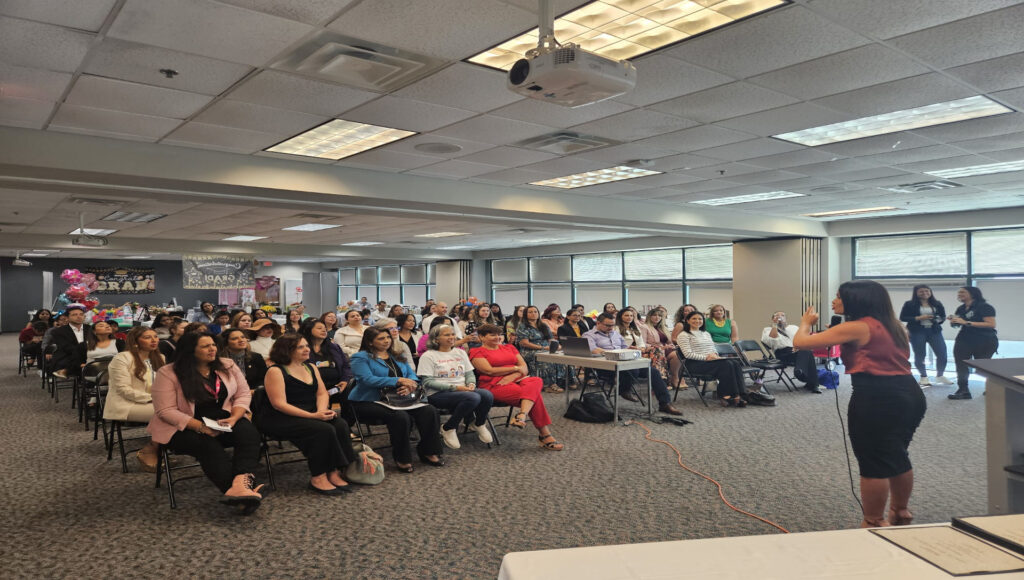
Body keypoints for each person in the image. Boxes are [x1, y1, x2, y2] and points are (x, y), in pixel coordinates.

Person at [794, 280, 926, 528]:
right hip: (909, 393)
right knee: (896, 454)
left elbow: (800, 343)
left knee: (873, 460)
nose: (834, 301)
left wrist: (805, 324)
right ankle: (900, 510)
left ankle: (874, 520)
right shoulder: (894, 325)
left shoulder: (857, 327)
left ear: (857, 300)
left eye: (839, 296)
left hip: (877, 396)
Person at [147, 333, 266, 513]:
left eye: (213, 345)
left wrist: (235, 417)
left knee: (248, 433)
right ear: (190, 350)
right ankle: (238, 493)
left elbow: (242, 394)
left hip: (223, 418)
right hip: (183, 426)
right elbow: (165, 411)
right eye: (205, 346)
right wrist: (201, 427)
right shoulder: (168, 373)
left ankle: (240, 486)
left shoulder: (227, 365)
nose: (212, 349)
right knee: (208, 446)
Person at [256, 334, 363, 495]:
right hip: (280, 417)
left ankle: (334, 471)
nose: (307, 349)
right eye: (300, 347)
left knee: (340, 424)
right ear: (286, 350)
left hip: (310, 412)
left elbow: (322, 393)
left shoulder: (311, 367)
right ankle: (318, 476)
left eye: (307, 346)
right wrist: (313, 416)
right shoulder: (275, 371)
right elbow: (279, 404)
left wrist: (321, 411)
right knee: (322, 429)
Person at [348, 327, 445, 472]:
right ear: (370, 342)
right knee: (400, 417)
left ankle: (429, 452)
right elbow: (367, 379)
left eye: (388, 337)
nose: (386, 341)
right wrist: (398, 380)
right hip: (369, 400)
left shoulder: (396, 355)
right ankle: (402, 458)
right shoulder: (360, 357)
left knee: (429, 411)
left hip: (399, 398)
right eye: (381, 338)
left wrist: (410, 386)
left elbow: (411, 375)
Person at [470, 324, 563, 451]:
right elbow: (489, 371)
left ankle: (522, 415)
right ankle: (545, 435)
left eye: (499, 334)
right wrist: (515, 368)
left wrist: (514, 375)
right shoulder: (476, 351)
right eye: (492, 335)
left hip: (517, 379)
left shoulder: (509, 347)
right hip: (494, 384)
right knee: (533, 396)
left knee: (536, 380)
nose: (497, 337)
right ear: (481, 337)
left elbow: (524, 368)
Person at [585, 313, 682, 415]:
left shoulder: (615, 334)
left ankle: (665, 403)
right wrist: (613, 353)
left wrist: (632, 350)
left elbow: (624, 347)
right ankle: (624, 389)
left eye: (612, 325)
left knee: (653, 372)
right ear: (598, 323)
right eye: (607, 325)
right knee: (633, 370)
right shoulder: (589, 335)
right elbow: (593, 349)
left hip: (625, 363)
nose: (610, 328)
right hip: (605, 366)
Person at [418, 324, 494, 449]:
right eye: (447, 335)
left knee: (487, 395)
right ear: (436, 339)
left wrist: (471, 383)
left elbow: (469, 373)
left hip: (462, 390)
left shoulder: (460, 352)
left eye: (453, 334)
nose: (452, 337)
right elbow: (427, 382)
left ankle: (478, 423)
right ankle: (449, 427)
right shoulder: (428, 356)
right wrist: (455, 388)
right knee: (473, 398)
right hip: (437, 394)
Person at [104, 327, 164, 471]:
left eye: (155, 336)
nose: (154, 340)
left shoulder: (160, 358)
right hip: (126, 404)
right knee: (167, 414)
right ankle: (149, 450)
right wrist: (154, 398)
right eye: (147, 337)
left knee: (182, 411)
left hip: (153, 402)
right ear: (135, 341)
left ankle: (162, 450)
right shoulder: (122, 358)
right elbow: (123, 390)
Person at [676, 311, 746, 407]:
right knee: (726, 365)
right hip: (694, 364)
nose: (697, 321)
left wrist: (715, 355)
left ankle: (741, 394)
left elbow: (713, 348)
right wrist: (706, 357)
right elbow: (688, 354)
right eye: (694, 318)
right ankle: (726, 395)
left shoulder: (706, 333)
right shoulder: (683, 335)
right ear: (687, 321)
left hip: (710, 361)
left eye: (700, 319)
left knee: (735, 363)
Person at [948, 286, 998, 400]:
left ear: (973, 294)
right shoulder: (961, 308)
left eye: (963, 292)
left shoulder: (985, 307)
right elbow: (958, 324)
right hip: (964, 339)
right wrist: (954, 321)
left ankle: (992, 388)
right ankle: (963, 390)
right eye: (959, 292)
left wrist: (967, 322)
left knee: (983, 367)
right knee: (961, 364)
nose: (959, 294)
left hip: (985, 340)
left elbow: (991, 324)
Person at [896, 285, 950, 388]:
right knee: (920, 355)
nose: (925, 293)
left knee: (942, 353)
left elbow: (942, 317)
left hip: (934, 331)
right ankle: (923, 376)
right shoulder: (909, 304)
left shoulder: (937, 303)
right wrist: (919, 318)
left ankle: (940, 375)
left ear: (930, 292)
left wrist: (936, 319)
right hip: (917, 331)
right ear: (916, 293)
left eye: (927, 291)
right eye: (921, 291)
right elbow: (903, 317)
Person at [762, 311, 822, 393]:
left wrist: (798, 346)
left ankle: (800, 372)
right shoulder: (768, 329)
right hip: (782, 353)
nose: (780, 317)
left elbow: (803, 338)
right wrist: (775, 325)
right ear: (773, 319)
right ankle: (813, 384)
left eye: (782, 315)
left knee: (807, 351)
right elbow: (772, 340)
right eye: (777, 316)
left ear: (785, 319)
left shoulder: (793, 328)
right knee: (807, 354)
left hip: (796, 350)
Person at [301, 319, 353, 401]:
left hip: (336, 387)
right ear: (309, 330)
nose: (324, 330)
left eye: (325, 328)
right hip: (311, 387)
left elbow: (346, 366)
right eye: (319, 328)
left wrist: (345, 380)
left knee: (351, 392)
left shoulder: (334, 347)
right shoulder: (302, 348)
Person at [516, 305, 563, 393]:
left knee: (561, 357)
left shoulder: (543, 325)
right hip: (529, 351)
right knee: (546, 359)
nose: (533, 314)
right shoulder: (522, 327)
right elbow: (524, 343)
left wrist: (557, 346)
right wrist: (542, 347)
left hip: (546, 349)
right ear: (526, 314)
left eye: (535, 312)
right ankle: (548, 385)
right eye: (530, 312)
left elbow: (551, 339)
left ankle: (563, 382)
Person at [48, 304, 92, 377]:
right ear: (67, 318)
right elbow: (66, 348)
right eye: (74, 315)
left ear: (84, 316)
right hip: (68, 356)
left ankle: (67, 371)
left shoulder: (91, 329)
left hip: (89, 355)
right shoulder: (58, 331)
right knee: (78, 361)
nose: (79, 316)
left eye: (81, 314)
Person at [639, 307, 677, 385]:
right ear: (649, 316)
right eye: (654, 315)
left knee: (679, 354)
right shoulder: (644, 327)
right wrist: (660, 347)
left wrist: (671, 345)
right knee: (672, 355)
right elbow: (643, 343)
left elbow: (669, 341)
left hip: (666, 349)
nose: (657, 317)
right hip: (654, 350)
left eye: (659, 316)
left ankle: (674, 377)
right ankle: (664, 380)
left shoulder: (663, 327)